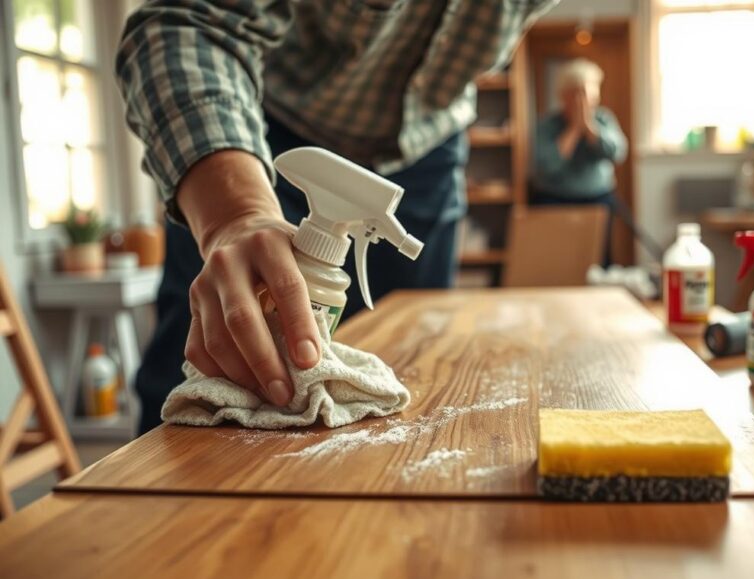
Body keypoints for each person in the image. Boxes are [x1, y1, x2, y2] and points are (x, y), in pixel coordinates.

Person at [117, 0, 556, 435]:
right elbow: (186, 22)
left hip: (427, 145)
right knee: (217, 347)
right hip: (262, 139)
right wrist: (235, 215)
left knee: (415, 381)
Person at [532, 58, 628, 263]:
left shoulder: (603, 119)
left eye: (588, 92)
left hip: (598, 200)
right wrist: (574, 129)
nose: (583, 100)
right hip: (555, 202)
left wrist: (590, 129)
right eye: (576, 93)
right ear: (563, 96)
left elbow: (617, 153)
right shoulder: (547, 125)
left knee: (600, 258)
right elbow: (547, 165)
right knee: (558, 260)